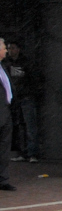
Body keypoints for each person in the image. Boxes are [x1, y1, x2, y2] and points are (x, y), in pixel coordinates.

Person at [3, 40, 38, 162]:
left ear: (18, 49)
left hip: (26, 97)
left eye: (13, 48)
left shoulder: (25, 63)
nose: (11, 51)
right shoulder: (7, 63)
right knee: (19, 125)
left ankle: (32, 153)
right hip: (15, 98)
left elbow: (34, 78)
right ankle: (23, 152)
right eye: (9, 48)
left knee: (29, 125)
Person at [0, 38, 15, 190]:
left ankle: (3, 179)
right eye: (4, 48)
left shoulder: (4, 66)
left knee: (4, 148)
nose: (6, 50)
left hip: (5, 112)